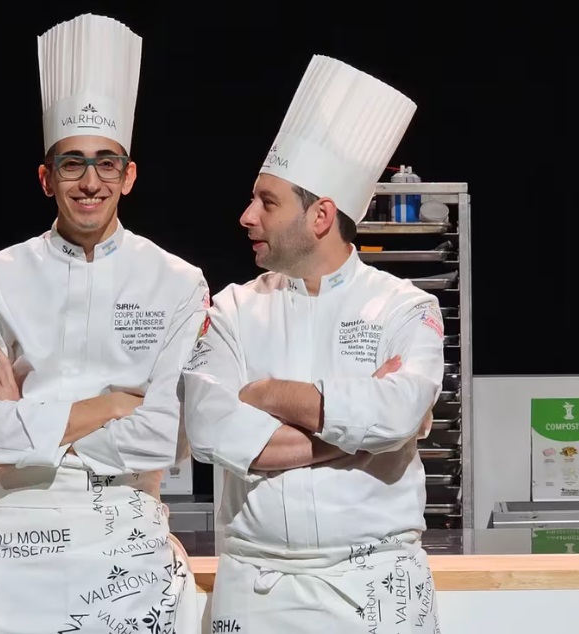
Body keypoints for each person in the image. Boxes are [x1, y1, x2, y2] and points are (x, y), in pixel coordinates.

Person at [0, 13, 205, 634]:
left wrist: (32, 420)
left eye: (106, 163)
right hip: (18, 548)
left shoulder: (178, 283)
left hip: (132, 546)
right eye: (72, 164)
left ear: (129, 175)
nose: (90, 181)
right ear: (45, 178)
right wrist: (118, 401)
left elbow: (161, 442)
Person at [182, 54, 445, 632]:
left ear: (321, 215)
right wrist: (355, 439)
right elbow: (208, 428)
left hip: (377, 589)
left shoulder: (407, 307)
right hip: (256, 590)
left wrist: (268, 392)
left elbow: (398, 409)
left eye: (267, 202)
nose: (247, 216)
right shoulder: (230, 309)